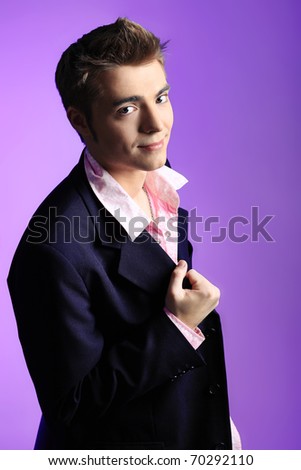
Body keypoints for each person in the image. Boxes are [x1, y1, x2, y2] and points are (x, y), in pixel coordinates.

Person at [8, 17, 240, 450]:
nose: (157, 124)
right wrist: (180, 328)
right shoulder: (51, 250)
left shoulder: (160, 182)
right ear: (80, 121)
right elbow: (71, 407)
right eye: (127, 108)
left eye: (162, 97)